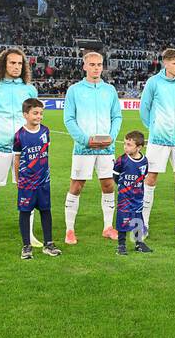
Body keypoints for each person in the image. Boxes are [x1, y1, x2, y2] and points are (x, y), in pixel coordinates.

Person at [0, 48, 39, 252]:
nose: (16, 67)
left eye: (20, 64)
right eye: (12, 63)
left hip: (25, 150)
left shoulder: (29, 89)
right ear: (3, 64)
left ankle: (29, 235)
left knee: (27, 191)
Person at [62, 50, 122, 245]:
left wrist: (112, 138)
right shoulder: (74, 90)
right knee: (77, 186)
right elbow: (69, 119)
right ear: (84, 66)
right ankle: (69, 230)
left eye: (99, 65)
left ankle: (107, 227)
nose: (96, 68)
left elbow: (116, 117)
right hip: (83, 148)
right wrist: (83, 140)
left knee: (108, 185)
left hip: (106, 148)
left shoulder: (109, 90)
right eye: (92, 65)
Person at [139, 47, 175, 234]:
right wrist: (154, 128)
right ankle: (143, 224)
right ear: (166, 63)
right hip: (158, 140)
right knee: (151, 178)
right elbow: (144, 108)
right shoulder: (154, 82)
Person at [13, 98, 60, 259]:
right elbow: (17, 159)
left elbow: (44, 154)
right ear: (25, 114)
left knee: (46, 211)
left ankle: (49, 244)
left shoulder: (45, 131)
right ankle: (26, 246)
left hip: (43, 181)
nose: (39, 116)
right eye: (35, 113)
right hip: (26, 182)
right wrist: (18, 180)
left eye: (41, 113)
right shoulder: (19, 135)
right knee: (25, 212)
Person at [113, 131, 152, 255]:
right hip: (125, 197)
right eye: (125, 144)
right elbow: (116, 177)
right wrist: (124, 188)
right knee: (122, 220)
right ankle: (121, 245)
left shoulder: (144, 161)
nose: (125, 147)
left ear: (139, 147)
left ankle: (139, 243)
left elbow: (143, 176)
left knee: (138, 219)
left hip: (138, 197)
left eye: (129, 144)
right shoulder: (121, 160)